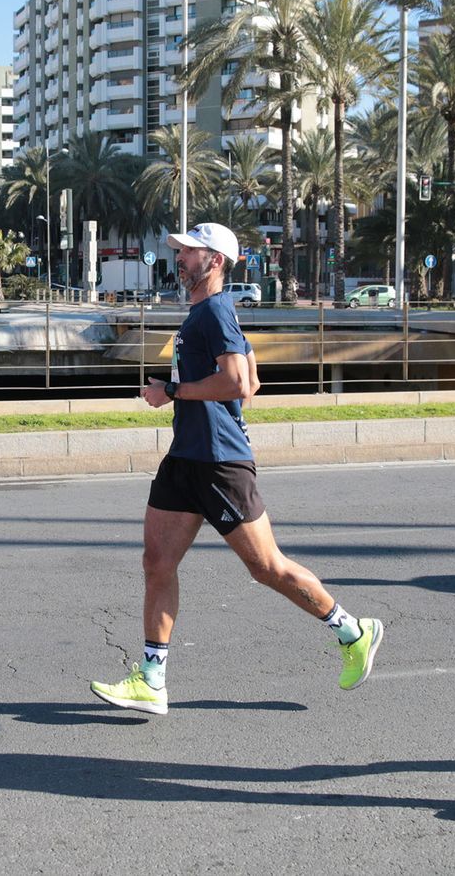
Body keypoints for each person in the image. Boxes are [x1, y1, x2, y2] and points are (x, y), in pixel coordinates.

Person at [90, 223, 384, 716]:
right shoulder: (206, 314)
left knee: (266, 567)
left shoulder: (216, 311)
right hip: (186, 456)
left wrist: (174, 392)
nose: (179, 258)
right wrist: (184, 386)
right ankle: (152, 680)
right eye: (179, 251)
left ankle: (353, 632)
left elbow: (234, 383)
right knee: (157, 563)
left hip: (220, 461)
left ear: (216, 261)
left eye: (189, 252)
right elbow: (252, 382)